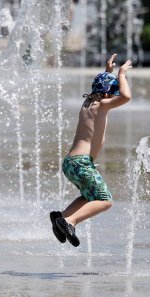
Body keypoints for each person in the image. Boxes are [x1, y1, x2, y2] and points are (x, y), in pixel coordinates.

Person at [50, 54, 133, 247]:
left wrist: (107, 72)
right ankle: (70, 221)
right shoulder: (103, 105)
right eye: (111, 93)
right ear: (106, 95)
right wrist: (121, 74)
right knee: (105, 200)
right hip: (81, 163)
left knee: (89, 196)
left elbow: (102, 88)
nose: (113, 97)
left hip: (71, 163)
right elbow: (127, 96)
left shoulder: (87, 104)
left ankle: (60, 217)